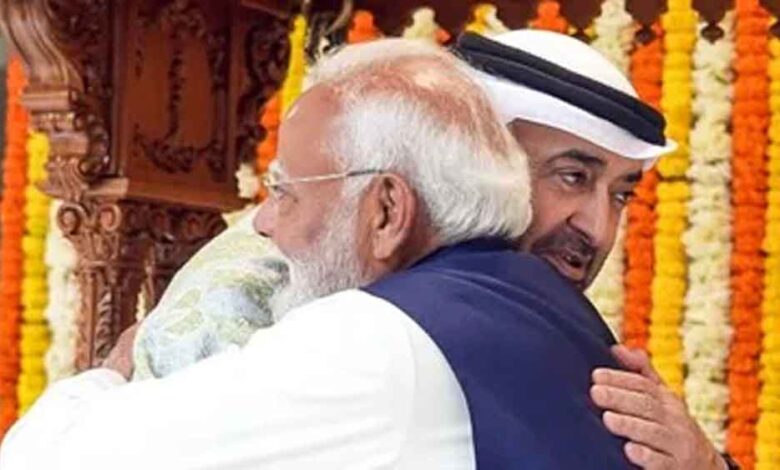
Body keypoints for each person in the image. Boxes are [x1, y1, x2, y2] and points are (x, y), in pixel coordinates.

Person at [3, 38, 633, 469]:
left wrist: (108, 375)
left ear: (387, 211)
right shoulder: (562, 320)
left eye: (286, 193)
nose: (264, 224)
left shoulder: (374, 340)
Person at [453, 30, 736, 470]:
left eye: (621, 195)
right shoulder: (378, 322)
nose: (598, 229)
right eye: (573, 177)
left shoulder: (595, 370)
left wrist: (705, 464)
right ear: (476, 164)